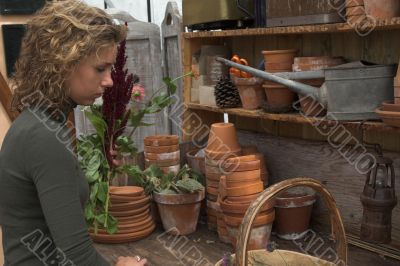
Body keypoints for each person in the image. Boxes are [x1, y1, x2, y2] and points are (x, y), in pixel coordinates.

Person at [0, 1, 147, 265]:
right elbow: (77, 256)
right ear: (62, 63)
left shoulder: (38, 123)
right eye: (100, 68)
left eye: (110, 69)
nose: (110, 80)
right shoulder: (43, 138)